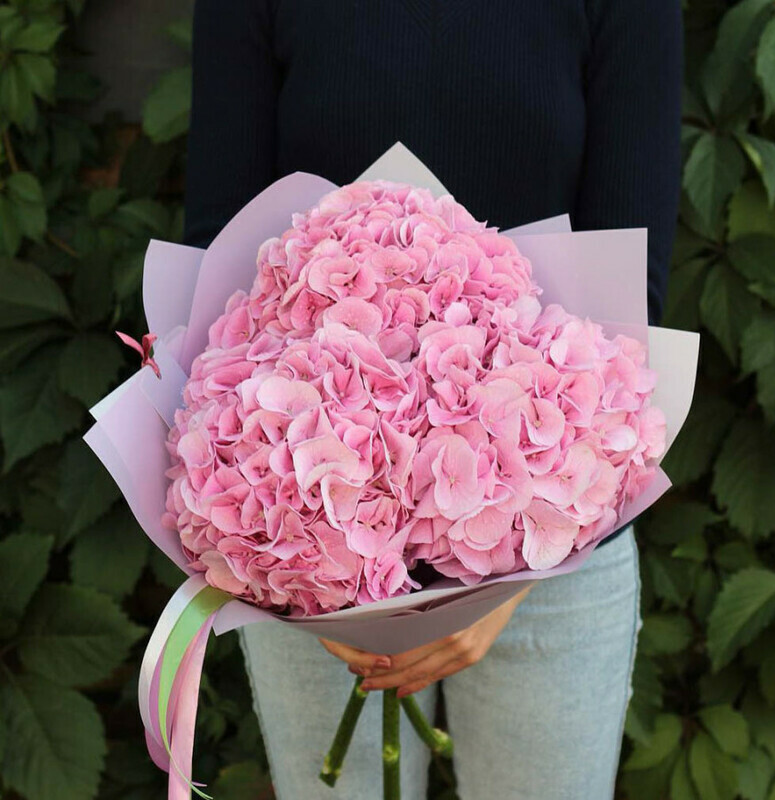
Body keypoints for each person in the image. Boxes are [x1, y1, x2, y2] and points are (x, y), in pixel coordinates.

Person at [182, 2, 682, 797]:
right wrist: (323, 580)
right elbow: (218, 262)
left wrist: (511, 576)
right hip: (312, 525)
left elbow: (632, 295)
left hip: (557, 533)